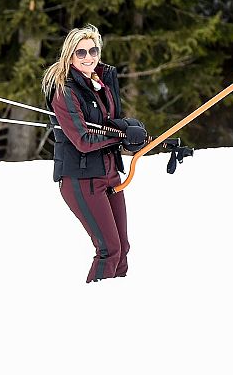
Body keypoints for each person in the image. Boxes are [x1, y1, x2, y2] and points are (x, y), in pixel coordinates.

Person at [42, 24, 147, 283]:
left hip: (109, 174)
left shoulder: (99, 83)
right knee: (108, 250)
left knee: (122, 249)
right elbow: (83, 139)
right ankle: (92, 308)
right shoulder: (64, 91)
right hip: (82, 179)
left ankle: (115, 301)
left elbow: (108, 123)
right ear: (69, 56)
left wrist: (128, 129)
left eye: (93, 50)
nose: (89, 57)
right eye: (81, 53)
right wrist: (119, 135)